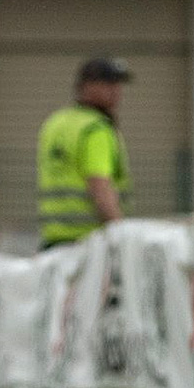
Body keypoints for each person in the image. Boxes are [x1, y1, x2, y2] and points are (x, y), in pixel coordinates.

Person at [37, 57, 133, 249]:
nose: (117, 90)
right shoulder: (95, 129)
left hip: (52, 241)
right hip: (89, 245)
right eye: (108, 83)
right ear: (86, 86)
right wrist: (122, 236)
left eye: (118, 84)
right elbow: (100, 187)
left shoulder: (55, 122)